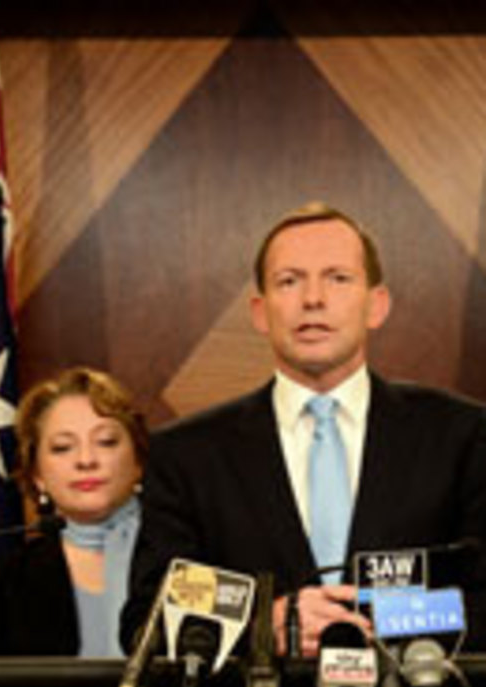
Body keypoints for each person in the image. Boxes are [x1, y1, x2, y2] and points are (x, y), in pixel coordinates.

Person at [120, 201, 486, 656]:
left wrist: (386, 619)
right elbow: (148, 619)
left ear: (377, 305)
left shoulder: (462, 436)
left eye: (338, 278)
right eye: (289, 281)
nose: (313, 299)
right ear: (260, 312)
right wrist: (261, 626)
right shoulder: (188, 455)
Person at [0, 367, 148, 656]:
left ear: (138, 460)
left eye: (106, 442)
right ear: (37, 474)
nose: (86, 460)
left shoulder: (195, 558)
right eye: (62, 448)